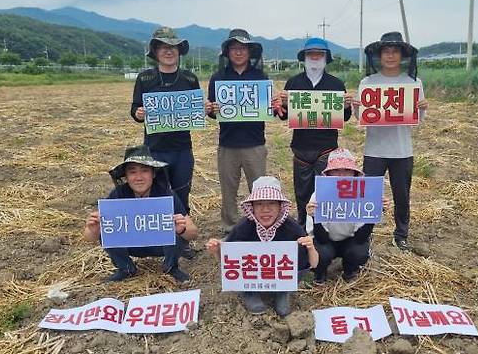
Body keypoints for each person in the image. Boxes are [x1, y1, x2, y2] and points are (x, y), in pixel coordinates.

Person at [350, 32, 429, 252]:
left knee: (402, 195)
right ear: (379, 55)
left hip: (402, 149)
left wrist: (423, 108)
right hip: (374, 149)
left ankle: (401, 234)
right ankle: (365, 234)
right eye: (386, 51)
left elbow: (417, 119)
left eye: (395, 51)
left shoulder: (413, 82)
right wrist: (356, 106)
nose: (391, 56)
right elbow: (362, 117)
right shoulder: (368, 82)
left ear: (403, 55)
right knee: (369, 194)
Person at [206, 176, 318, 317]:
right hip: (251, 279)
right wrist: (217, 250)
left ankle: (282, 292)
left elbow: (313, 263)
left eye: (272, 203)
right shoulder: (243, 227)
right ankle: (249, 293)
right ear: (252, 207)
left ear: (280, 206)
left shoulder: (292, 228)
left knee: (298, 264)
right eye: (259, 204)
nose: (266, 209)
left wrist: (311, 247)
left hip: (281, 278)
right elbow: (227, 261)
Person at [84, 145, 198, 282]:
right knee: (106, 230)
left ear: (153, 173)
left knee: (180, 232)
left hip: (161, 245)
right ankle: (125, 268)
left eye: (144, 171)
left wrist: (181, 229)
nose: (139, 177)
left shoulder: (166, 194)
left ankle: (171, 267)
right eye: (132, 172)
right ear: (125, 176)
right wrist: (94, 230)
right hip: (130, 245)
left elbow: (193, 232)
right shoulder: (118, 194)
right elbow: (89, 237)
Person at [204, 29, 278, 234]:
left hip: (255, 143)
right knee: (228, 189)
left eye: (242, 48)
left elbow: (268, 108)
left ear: (249, 52)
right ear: (227, 52)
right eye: (234, 48)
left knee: (259, 189)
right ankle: (229, 227)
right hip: (227, 144)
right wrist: (212, 110)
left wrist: (274, 104)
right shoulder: (218, 78)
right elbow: (212, 112)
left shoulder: (260, 77)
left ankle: (261, 225)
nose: (238, 52)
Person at [275, 37, 354, 227]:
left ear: (326, 58)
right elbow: (283, 116)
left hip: (326, 148)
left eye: (320, 54)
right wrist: (282, 103)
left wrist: (346, 105)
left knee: (326, 192)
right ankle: (303, 226)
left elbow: (345, 117)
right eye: (311, 54)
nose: (315, 58)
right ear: (304, 58)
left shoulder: (336, 85)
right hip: (301, 147)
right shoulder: (293, 84)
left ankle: (325, 227)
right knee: (302, 192)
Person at [130, 27, 199, 217]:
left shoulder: (189, 79)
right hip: (155, 148)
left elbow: (196, 110)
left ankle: (182, 236)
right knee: (157, 194)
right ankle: (159, 238)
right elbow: (134, 109)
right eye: (162, 47)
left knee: (182, 192)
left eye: (173, 47)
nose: (168, 51)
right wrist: (139, 113)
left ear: (179, 51)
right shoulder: (145, 78)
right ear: (155, 52)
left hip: (182, 148)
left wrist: (204, 108)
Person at [306, 148, 376, 283]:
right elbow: (322, 239)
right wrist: (315, 217)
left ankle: (349, 271)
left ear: (354, 174)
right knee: (322, 253)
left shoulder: (362, 196)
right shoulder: (317, 196)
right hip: (326, 240)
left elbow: (361, 238)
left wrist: (372, 216)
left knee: (358, 252)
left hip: (351, 239)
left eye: (347, 171)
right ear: (329, 174)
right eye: (336, 171)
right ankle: (320, 274)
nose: (341, 175)